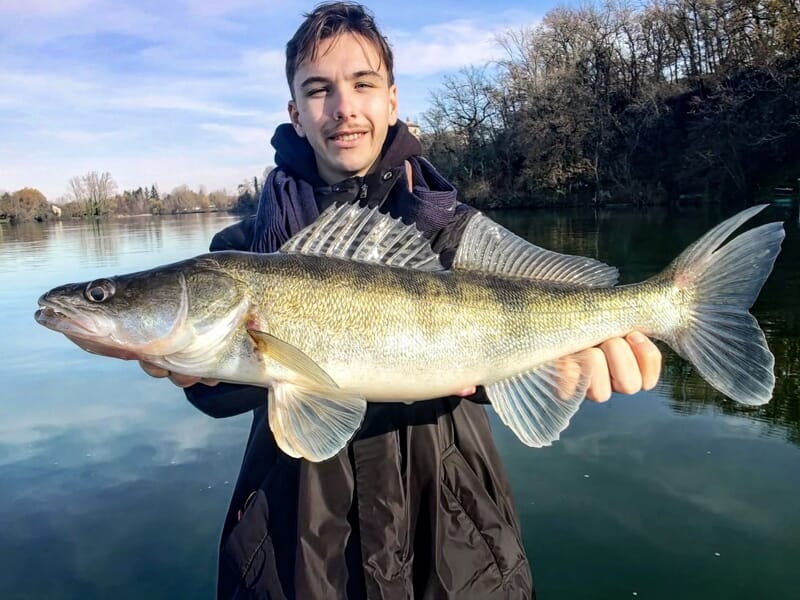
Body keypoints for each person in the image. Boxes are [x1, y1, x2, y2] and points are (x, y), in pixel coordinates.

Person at [141, 3, 662, 598]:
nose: (343, 107)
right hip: (296, 557)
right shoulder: (246, 249)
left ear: (392, 100)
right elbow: (227, 391)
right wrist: (202, 373)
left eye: (363, 84)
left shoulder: (453, 236)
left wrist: (557, 366)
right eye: (318, 90)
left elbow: (492, 368)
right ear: (295, 113)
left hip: (457, 550)